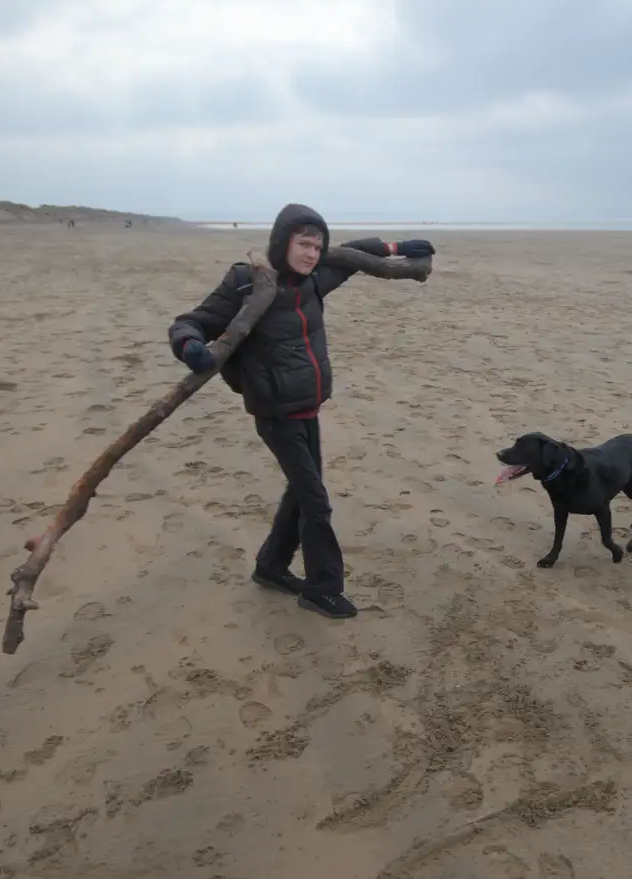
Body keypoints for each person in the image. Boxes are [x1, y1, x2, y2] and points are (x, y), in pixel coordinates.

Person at [167, 204, 435, 619]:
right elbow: (191, 322)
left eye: (317, 245)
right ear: (282, 242)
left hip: (308, 405)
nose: (312, 253)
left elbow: (352, 254)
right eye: (303, 244)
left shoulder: (314, 282)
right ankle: (321, 589)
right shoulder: (246, 282)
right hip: (274, 412)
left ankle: (271, 567)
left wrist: (396, 247)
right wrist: (190, 349)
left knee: (301, 489)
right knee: (315, 501)